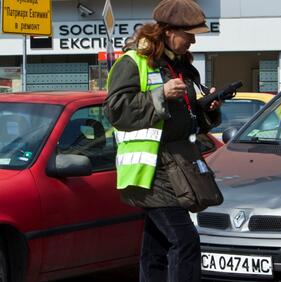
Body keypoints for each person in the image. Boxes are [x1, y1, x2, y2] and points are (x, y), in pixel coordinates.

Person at [104, 0, 221, 281]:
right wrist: (160, 94)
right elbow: (116, 110)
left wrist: (207, 108)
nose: (193, 40)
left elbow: (187, 118)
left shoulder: (181, 66)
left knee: (156, 246)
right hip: (151, 171)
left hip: (179, 165)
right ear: (169, 31)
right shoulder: (133, 62)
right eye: (189, 34)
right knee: (185, 241)